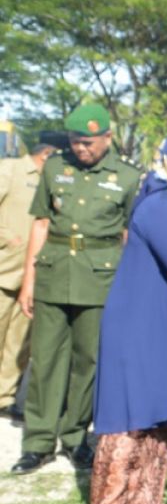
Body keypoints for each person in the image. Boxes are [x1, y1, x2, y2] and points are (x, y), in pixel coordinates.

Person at [86, 133, 167, 504]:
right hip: (139, 329)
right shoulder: (159, 208)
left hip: (161, 327)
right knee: (129, 420)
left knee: (156, 420)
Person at [11, 104, 140, 474]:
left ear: (107, 138)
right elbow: (40, 224)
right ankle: (37, 443)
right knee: (45, 361)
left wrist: (128, 290)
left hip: (100, 279)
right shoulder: (54, 167)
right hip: (53, 273)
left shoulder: (127, 177)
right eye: (74, 142)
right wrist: (28, 283)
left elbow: (130, 236)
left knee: (88, 364)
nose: (81, 149)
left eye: (88, 143)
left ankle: (75, 438)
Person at [0, 142, 57, 420]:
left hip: (31, 276)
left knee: (19, 343)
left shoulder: (53, 181)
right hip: (3, 268)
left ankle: (6, 396)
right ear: (46, 153)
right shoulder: (9, 170)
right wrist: (6, 237)